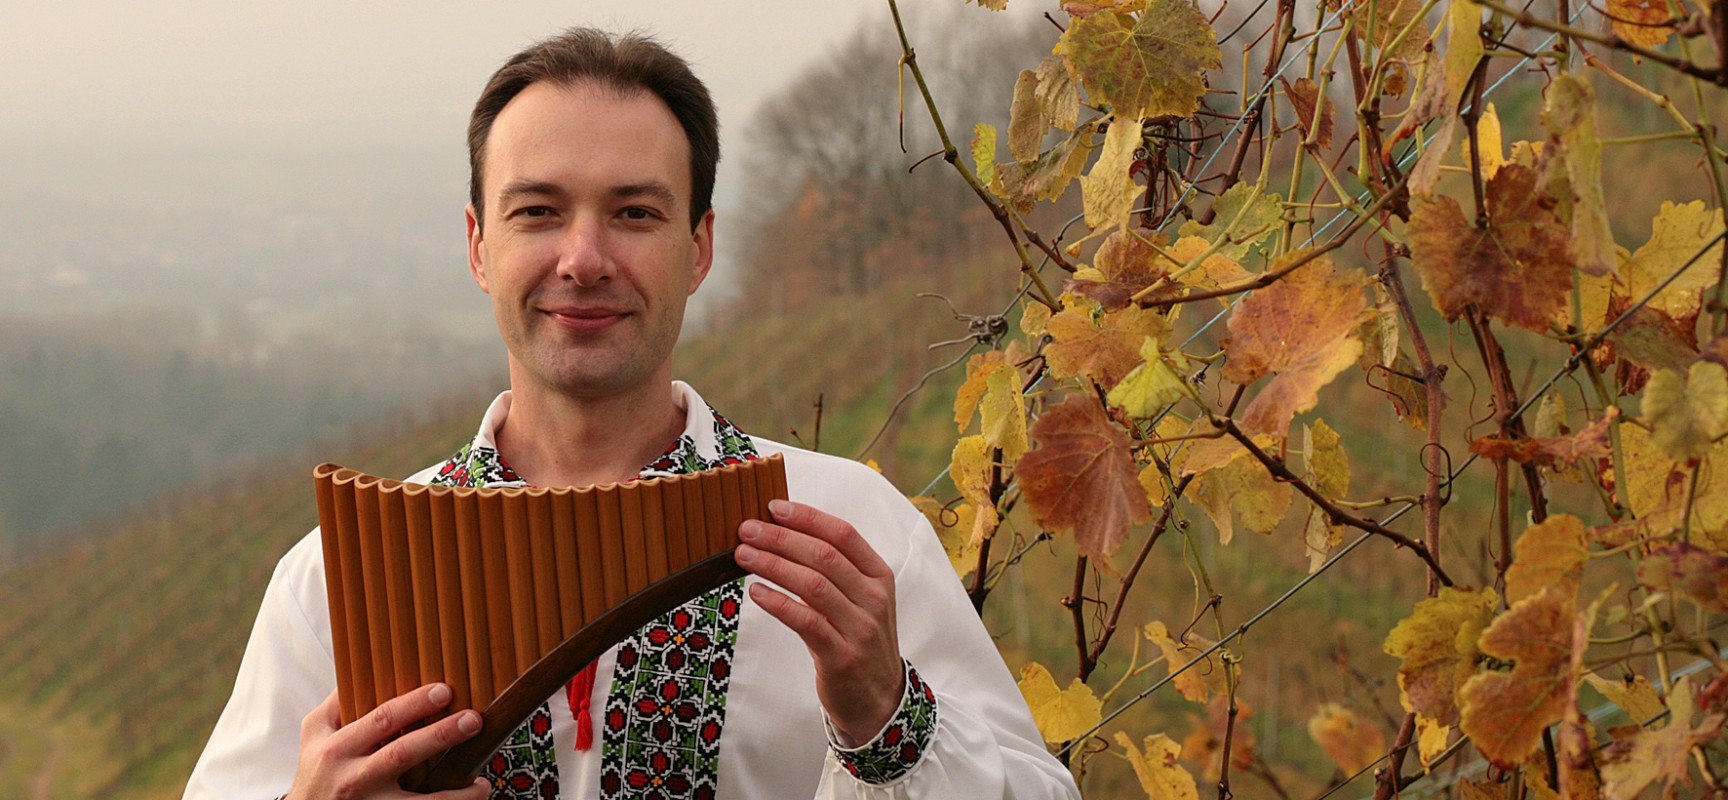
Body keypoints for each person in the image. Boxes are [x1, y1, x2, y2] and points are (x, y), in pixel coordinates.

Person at [184, 27, 1079, 800]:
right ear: (477, 246)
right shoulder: (339, 582)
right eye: (538, 211)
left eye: (635, 212)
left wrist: (889, 717)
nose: (584, 257)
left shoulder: (853, 536)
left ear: (698, 248)